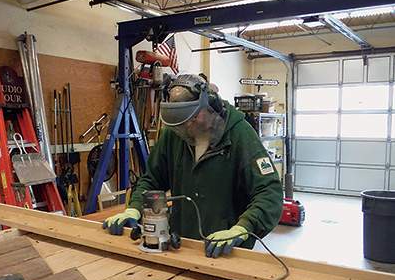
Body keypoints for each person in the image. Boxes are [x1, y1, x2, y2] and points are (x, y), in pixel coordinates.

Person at [103, 74, 283, 258]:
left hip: (226, 250)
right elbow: (152, 181)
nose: (187, 126)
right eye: (181, 121)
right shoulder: (176, 132)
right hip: (182, 247)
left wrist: (243, 228)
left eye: (193, 117)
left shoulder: (240, 134)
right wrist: (135, 208)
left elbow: (269, 193)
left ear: (211, 107)